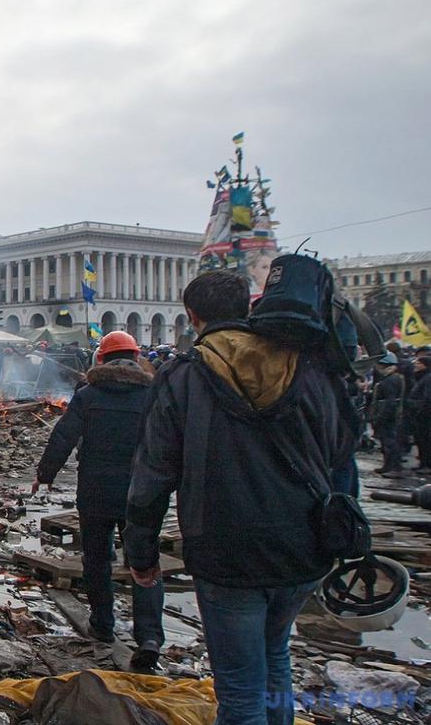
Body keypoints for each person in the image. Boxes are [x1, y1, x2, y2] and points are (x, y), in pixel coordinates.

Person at [125, 270, 352, 725]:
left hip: (226, 551)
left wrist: (142, 553)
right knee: (276, 659)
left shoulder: (183, 377)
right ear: (248, 307)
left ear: (192, 317)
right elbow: (342, 457)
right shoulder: (308, 366)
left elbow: (151, 478)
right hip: (305, 547)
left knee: (241, 691)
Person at [32, 330, 164, 669]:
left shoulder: (88, 395)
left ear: (101, 359)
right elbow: (169, 442)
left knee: (96, 559)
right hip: (141, 493)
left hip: (95, 490)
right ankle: (148, 636)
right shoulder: (153, 395)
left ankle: (103, 625)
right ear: (137, 358)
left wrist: (45, 474)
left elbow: (64, 435)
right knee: (144, 563)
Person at [371, 353, 406, 476]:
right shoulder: (395, 378)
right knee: (388, 442)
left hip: (388, 416)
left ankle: (394, 468)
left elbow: (389, 401)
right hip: (390, 415)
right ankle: (388, 466)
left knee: (390, 442)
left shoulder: (390, 380)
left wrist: (380, 417)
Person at [407, 355, 431, 471]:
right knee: (420, 439)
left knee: (425, 439)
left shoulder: (428, 378)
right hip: (420, 414)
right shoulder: (421, 377)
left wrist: (415, 405)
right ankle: (423, 463)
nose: (415, 365)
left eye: (419, 363)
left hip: (424, 416)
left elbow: (427, 398)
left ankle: (426, 464)